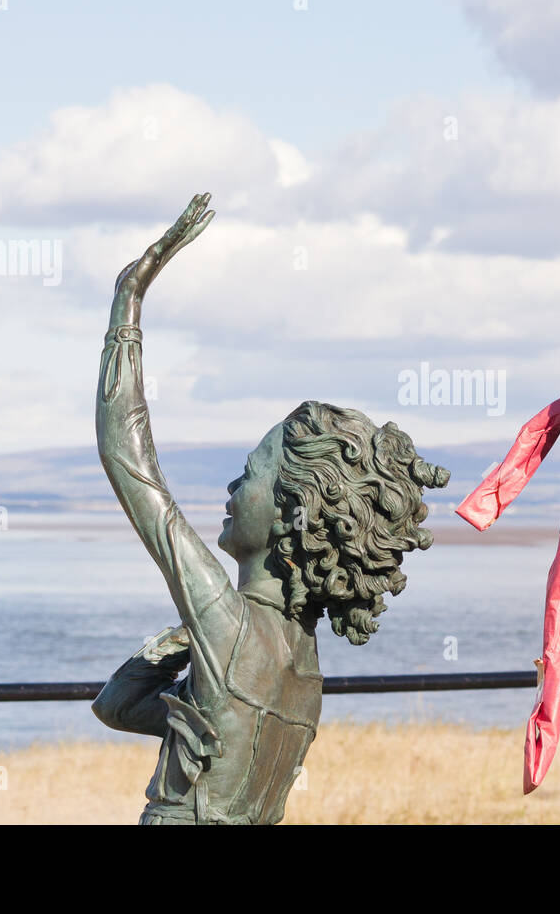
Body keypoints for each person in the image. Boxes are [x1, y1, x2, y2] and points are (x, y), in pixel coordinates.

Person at [91, 195, 449, 824]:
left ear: (297, 513)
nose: (232, 486)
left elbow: (128, 457)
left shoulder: (231, 627)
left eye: (250, 475)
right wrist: (190, 638)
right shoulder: (305, 675)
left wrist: (129, 296)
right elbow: (117, 705)